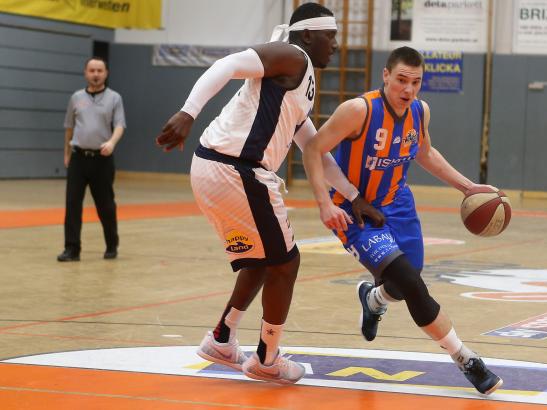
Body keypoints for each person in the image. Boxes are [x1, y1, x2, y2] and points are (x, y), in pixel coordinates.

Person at [155, 2, 382, 385]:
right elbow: (227, 64)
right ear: (308, 35)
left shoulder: (299, 82)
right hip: (236, 169)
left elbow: (313, 147)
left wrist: (352, 194)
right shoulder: (292, 56)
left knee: (262, 261)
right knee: (286, 264)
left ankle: (222, 339)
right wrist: (188, 112)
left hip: (218, 167)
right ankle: (267, 358)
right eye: (330, 36)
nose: (336, 45)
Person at [302, 46, 503, 395]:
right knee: (410, 283)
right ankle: (466, 359)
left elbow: (425, 153)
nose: (408, 90)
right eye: (401, 80)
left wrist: (468, 188)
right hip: (355, 212)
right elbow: (312, 148)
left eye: (416, 82)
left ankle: (373, 299)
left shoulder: (420, 112)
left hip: (398, 205)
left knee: (406, 281)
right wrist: (324, 204)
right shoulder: (358, 111)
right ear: (385, 75)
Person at [57, 57, 125, 262]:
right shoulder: (76, 97)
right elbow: (69, 127)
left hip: (102, 159)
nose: (96, 74)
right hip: (78, 158)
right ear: (85, 73)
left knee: (105, 205)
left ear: (106, 73)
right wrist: (67, 153)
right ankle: (72, 249)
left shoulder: (114, 98)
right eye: (92, 70)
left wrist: (112, 142)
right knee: (72, 203)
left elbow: (120, 125)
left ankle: (111, 244)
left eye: (99, 70)